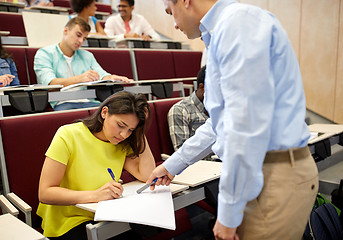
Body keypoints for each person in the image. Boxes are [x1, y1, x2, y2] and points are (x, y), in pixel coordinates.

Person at [147, 1, 319, 240]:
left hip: (271, 173)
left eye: (170, 12)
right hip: (262, 172)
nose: (173, 24)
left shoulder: (236, 24)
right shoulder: (220, 33)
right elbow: (219, 125)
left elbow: (243, 128)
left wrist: (227, 216)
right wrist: (171, 166)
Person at [37, 91, 155, 239]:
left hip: (103, 215)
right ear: (104, 112)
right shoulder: (68, 134)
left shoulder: (119, 142)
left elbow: (147, 175)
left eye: (130, 130)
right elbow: (45, 193)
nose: (124, 134)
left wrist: (139, 132)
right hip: (68, 221)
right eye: (120, 125)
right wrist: (96, 195)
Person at [34, 17, 130, 111]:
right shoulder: (44, 54)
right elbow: (50, 84)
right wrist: (80, 78)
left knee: (113, 112)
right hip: (61, 102)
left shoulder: (87, 55)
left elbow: (101, 74)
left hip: (87, 100)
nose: (81, 41)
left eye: (84, 38)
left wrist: (111, 78)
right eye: (78, 35)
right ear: (66, 31)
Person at [168, 66, 213, 157]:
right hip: (201, 166)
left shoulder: (221, 108)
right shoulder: (180, 110)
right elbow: (182, 153)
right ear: (202, 87)